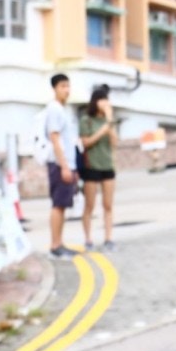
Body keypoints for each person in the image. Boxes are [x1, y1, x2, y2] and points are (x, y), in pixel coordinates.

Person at [41, 72, 79, 258]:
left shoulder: (63, 110)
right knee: (58, 205)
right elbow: (55, 138)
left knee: (63, 205)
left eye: (68, 86)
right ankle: (55, 246)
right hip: (59, 165)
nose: (67, 90)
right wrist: (64, 166)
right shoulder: (54, 109)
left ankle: (59, 243)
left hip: (66, 164)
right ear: (55, 88)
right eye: (63, 86)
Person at [78, 83, 118, 251]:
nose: (104, 103)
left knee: (108, 205)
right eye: (101, 100)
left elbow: (114, 143)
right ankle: (88, 239)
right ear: (95, 101)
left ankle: (108, 238)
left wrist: (109, 121)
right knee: (90, 205)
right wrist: (103, 130)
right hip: (91, 166)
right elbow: (86, 142)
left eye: (106, 100)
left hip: (108, 165)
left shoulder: (109, 121)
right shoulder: (86, 120)